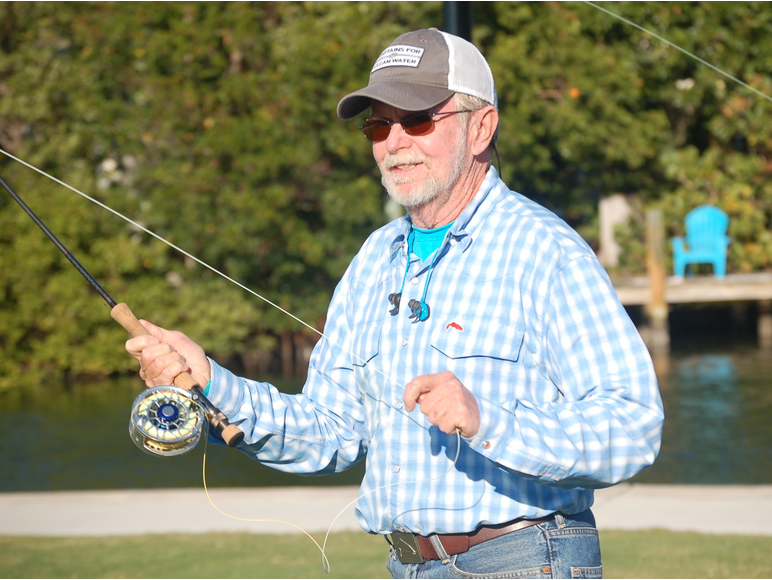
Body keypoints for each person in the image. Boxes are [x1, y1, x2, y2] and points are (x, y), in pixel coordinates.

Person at [126, 28, 664, 579]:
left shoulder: (545, 250)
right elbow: (329, 431)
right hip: (405, 565)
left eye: (419, 119)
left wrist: (487, 421)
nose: (395, 142)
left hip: (524, 559)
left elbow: (633, 426)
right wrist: (212, 382)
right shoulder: (374, 258)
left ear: (482, 127)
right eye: (379, 125)